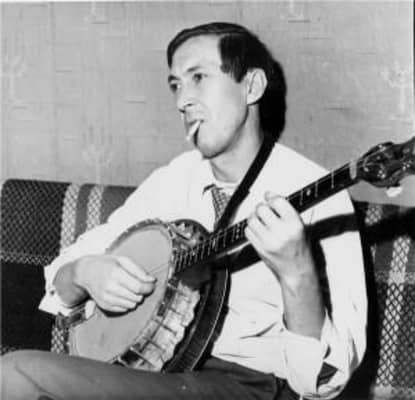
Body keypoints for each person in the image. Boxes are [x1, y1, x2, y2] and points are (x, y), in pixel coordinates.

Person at [1, 22, 367, 400]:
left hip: (253, 387)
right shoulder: (175, 178)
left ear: (252, 86)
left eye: (198, 78)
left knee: (15, 374)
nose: (181, 101)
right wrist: (84, 273)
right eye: (176, 85)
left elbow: (322, 382)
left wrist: (297, 272)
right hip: (166, 372)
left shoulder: (318, 194)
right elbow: (62, 278)